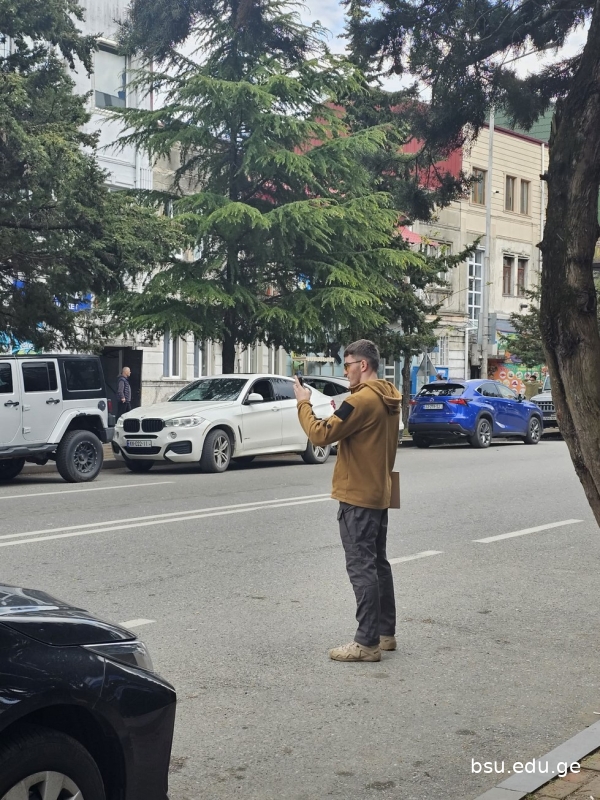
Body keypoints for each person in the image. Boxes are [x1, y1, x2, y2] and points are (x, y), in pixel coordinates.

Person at [293, 339, 401, 663]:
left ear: (363, 365)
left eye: (348, 365)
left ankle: (366, 643)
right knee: (379, 564)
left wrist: (303, 403)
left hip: (357, 495)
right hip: (380, 490)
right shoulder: (389, 395)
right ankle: (385, 633)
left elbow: (321, 435)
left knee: (361, 566)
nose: (345, 372)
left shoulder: (361, 400)